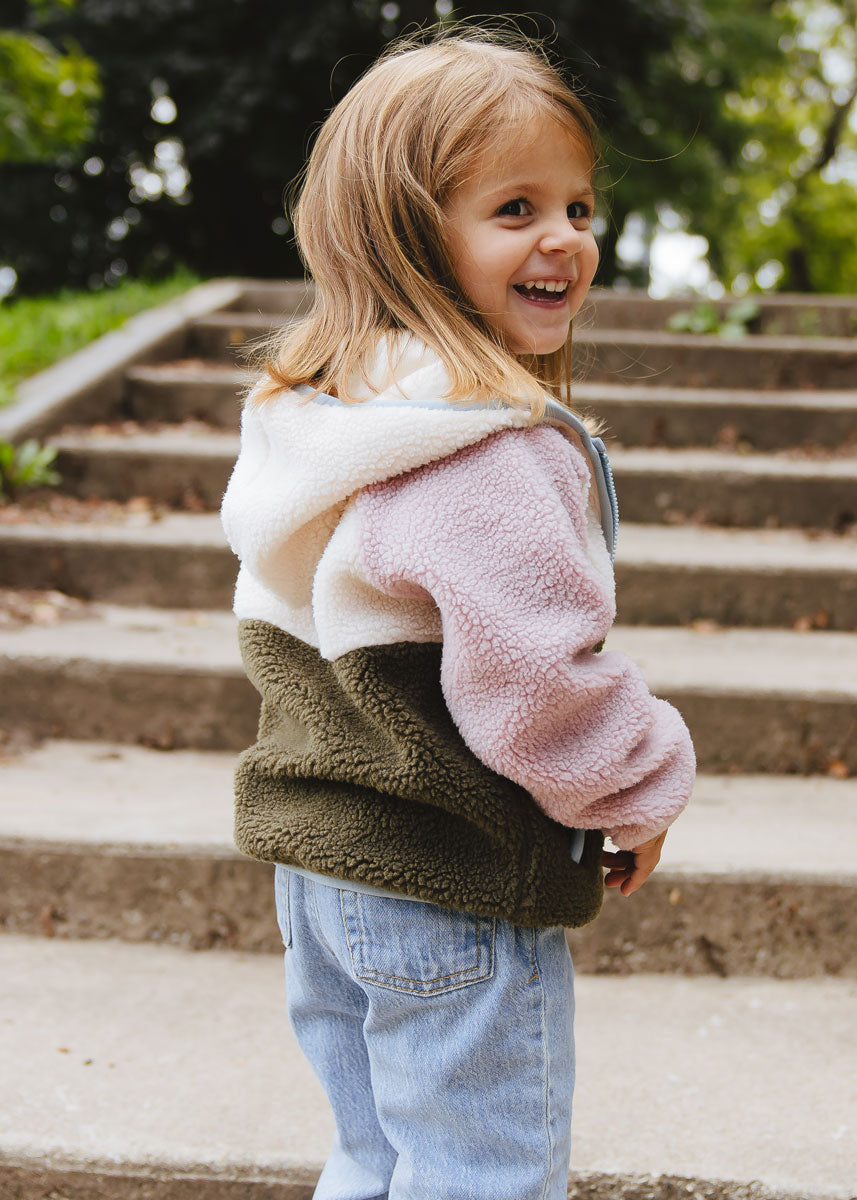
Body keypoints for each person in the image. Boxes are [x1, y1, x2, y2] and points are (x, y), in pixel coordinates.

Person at [221, 25, 696, 1200]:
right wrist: (636, 784)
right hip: (447, 875)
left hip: (324, 872)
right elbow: (533, 681)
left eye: (578, 208)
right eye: (513, 207)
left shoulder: (329, 418)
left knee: (376, 1156)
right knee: (481, 1173)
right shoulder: (479, 452)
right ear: (401, 234)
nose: (563, 240)